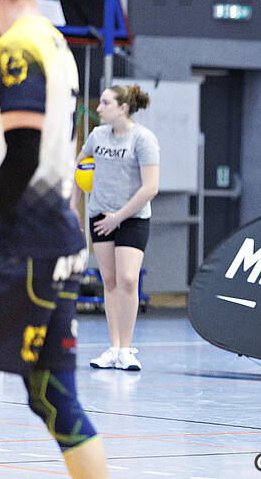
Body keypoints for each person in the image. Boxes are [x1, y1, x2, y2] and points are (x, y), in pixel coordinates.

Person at [0, 0, 109, 476]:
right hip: (58, 240)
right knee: (55, 397)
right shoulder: (56, 43)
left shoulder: (15, 49)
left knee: (54, 396)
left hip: (22, 243)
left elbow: (22, 156)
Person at [70, 84, 159, 371]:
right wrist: (73, 206)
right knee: (109, 281)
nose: (98, 108)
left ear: (123, 108)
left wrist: (118, 217)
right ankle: (113, 347)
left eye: (105, 103)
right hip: (100, 215)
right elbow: (79, 166)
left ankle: (126, 350)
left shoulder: (143, 139)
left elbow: (150, 188)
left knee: (128, 280)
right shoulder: (97, 135)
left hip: (131, 218)